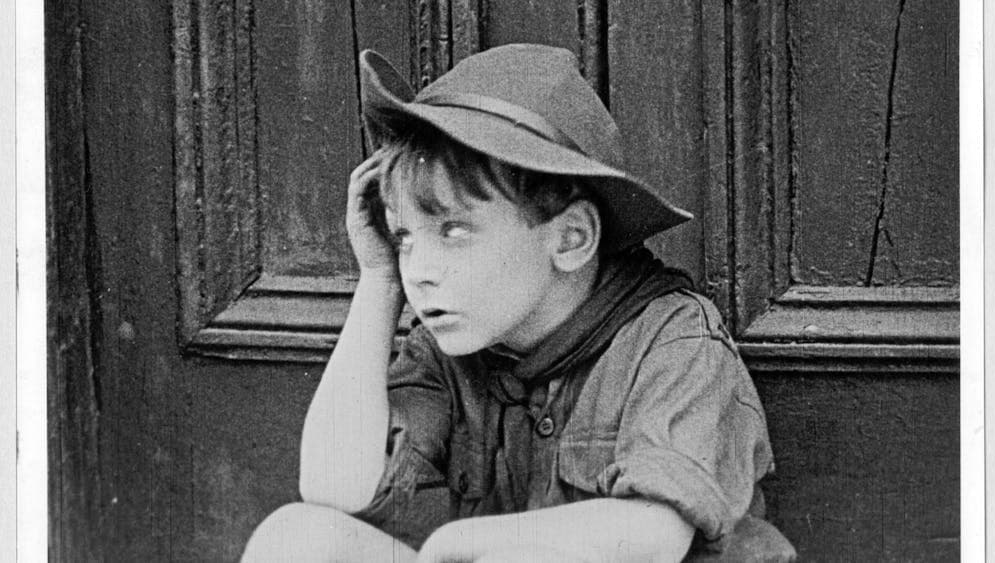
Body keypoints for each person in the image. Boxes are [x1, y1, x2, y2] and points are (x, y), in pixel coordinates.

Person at [242, 44, 794, 562]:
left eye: (454, 231)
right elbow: (333, 486)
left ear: (570, 238)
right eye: (404, 236)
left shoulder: (672, 338)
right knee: (297, 538)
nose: (420, 271)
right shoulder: (448, 344)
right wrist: (378, 282)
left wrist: (463, 541)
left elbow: (652, 537)